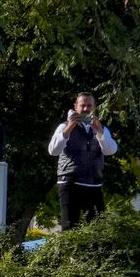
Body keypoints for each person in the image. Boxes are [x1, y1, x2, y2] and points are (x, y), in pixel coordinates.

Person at [48, 92, 117, 229]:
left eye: (89, 106)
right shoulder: (64, 126)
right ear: (75, 107)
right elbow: (53, 150)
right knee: (70, 226)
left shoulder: (100, 128)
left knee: (97, 227)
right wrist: (70, 127)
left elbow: (111, 150)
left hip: (93, 183)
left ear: (94, 107)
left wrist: (99, 132)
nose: (86, 109)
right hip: (70, 182)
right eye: (82, 105)